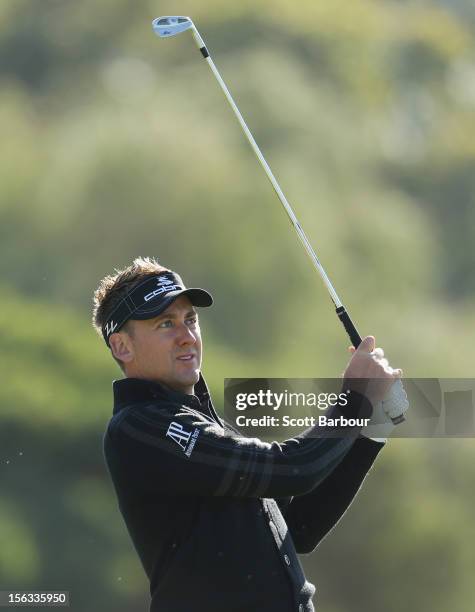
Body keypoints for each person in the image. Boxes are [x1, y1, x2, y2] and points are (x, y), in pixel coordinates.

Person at [93, 256, 407, 612]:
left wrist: (370, 431)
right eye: (166, 324)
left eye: (190, 320)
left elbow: (300, 527)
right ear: (122, 346)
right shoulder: (141, 426)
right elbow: (292, 469)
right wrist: (355, 398)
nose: (187, 337)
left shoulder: (209, 427)